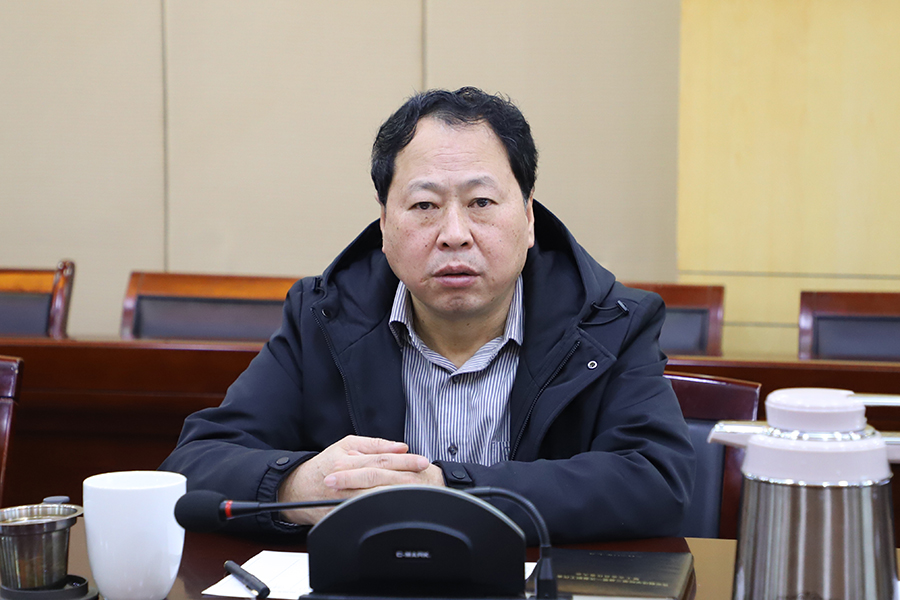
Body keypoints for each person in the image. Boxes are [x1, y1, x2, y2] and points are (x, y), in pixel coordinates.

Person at [161, 87, 694, 543]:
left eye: (481, 203)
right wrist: (296, 486)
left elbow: (656, 482)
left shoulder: (609, 322)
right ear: (384, 225)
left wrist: (449, 492)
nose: (454, 234)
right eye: (424, 206)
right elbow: (194, 465)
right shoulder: (323, 317)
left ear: (529, 218)